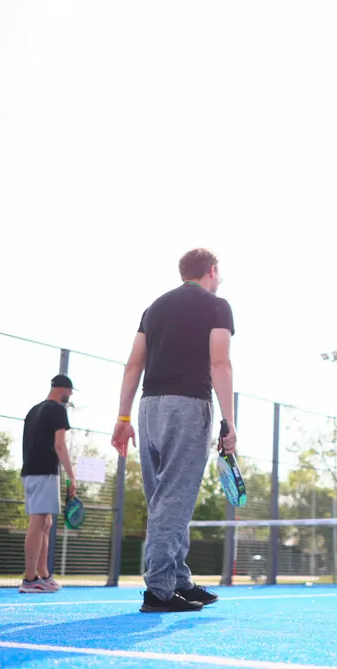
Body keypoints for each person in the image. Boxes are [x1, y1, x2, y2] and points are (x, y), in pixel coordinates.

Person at [112, 248, 236, 613]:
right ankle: (159, 589)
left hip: (149, 407)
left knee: (164, 499)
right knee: (175, 500)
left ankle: (178, 580)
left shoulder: (155, 307)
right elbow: (220, 362)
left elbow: (134, 363)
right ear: (211, 271)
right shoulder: (217, 305)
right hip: (187, 406)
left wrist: (123, 418)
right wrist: (229, 420)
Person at [20, 375, 77, 594]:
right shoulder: (57, 410)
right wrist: (72, 477)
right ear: (62, 389)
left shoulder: (33, 410)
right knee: (37, 522)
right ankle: (29, 579)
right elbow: (60, 446)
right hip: (42, 471)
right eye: (69, 391)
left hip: (33, 471)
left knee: (46, 522)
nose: (70, 395)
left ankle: (43, 575)